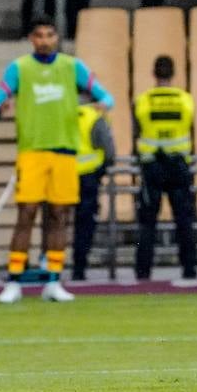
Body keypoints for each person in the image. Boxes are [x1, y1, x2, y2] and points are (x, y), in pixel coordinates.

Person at [0, 16, 114, 304]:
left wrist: (101, 103)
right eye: (39, 36)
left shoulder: (72, 67)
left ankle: (53, 280)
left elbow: (106, 96)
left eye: (49, 35)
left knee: (59, 216)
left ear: (57, 38)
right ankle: (14, 280)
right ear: (32, 39)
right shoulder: (19, 68)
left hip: (65, 152)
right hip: (32, 150)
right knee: (27, 213)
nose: (45, 40)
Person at [133, 55, 197, 284]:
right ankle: (189, 270)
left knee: (147, 223)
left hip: (152, 167)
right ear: (173, 74)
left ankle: (142, 272)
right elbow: (190, 128)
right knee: (184, 220)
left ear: (154, 73)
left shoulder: (143, 100)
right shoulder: (185, 99)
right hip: (178, 165)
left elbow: (137, 131)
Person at [71, 101, 115, 282]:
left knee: (56, 222)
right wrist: (102, 170)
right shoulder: (94, 118)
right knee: (84, 224)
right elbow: (109, 151)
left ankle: (52, 268)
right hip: (89, 177)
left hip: (63, 174)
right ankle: (79, 268)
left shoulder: (61, 114)